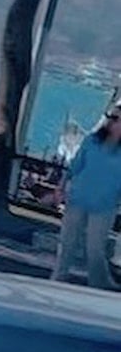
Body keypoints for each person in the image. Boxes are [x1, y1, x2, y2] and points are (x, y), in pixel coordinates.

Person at [51, 100, 121, 290]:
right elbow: (75, 166)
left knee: (94, 249)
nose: (112, 122)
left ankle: (99, 283)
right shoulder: (92, 141)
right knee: (67, 242)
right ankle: (58, 277)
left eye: (117, 118)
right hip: (78, 199)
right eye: (111, 117)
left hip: (104, 206)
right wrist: (61, 187)